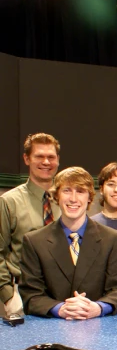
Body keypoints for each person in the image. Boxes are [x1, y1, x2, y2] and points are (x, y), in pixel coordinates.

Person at [18, 167, 117, 318]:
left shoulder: (113, 239)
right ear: (56, 196)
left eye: (80, 191)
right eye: (67, 191)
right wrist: (60, 309)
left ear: (90, 197)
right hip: (52, 328)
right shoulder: (34, 242)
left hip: (101, 328)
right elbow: (30, 295)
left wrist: (98, 307)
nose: (73, 198)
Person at [0, 133, 62, 317]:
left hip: (61, 294)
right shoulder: (8, 202)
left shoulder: (68, 201)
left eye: (51, 157)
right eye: (39, 156)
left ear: (58, 160)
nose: (46, 162)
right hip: (22, 291)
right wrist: (8, 295)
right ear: (27, 159)